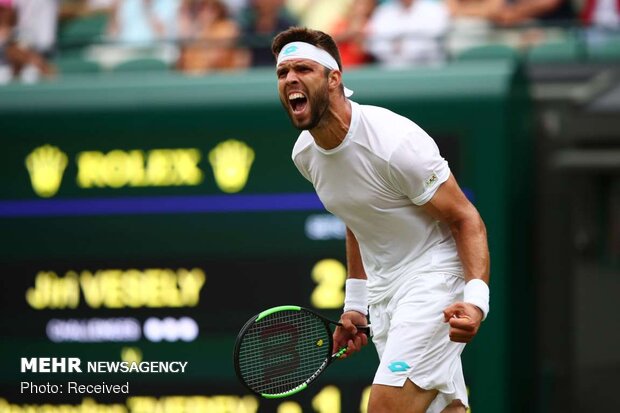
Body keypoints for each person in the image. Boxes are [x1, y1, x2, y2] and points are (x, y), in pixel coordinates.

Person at [271, 26, 490, 413]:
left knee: (386, 408)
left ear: (333, 78)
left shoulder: (393, 142)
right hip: (386, 295)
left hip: (434, 281)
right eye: (282, 72)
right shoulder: (304, 154)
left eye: (302, 69)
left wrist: (475, 302)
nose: (290, 79)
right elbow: (356, 216)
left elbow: (465, 218)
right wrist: (356, 305)